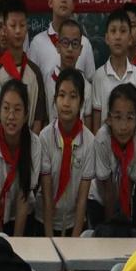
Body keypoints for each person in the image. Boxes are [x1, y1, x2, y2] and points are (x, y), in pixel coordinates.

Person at [91, 83, 136, 228]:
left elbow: (132, 188)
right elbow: (107, 190)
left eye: (129, 118)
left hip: (126, 200)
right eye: (117, 117)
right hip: (99, 200)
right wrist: (112, 230)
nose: (123, 126)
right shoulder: (102, 139)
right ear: (109, 119)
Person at [38, 69, 94, 237]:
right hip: (43, 221)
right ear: (55, 99)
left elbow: (82, 199)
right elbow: (47, 195)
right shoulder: (45, 137)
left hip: (74, 222)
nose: (66, 103)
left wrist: (74, 241)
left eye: (73, 96)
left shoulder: (90, 141)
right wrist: (49, 239)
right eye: (61, 95)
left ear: (82, 102)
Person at [0, 79, 42, 236]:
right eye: (6, 108)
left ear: (26, 115)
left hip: (22, 215)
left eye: (17, 110)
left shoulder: (35, 144)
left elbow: (24, 197)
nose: (11, 116)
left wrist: (16, 241)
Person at [0, 0, 46, 134]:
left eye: (22, 25)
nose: (18, 31)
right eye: (13, 25)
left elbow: (38, 119)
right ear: (4, 29)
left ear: (27, 28)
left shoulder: (35, 72)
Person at [28, 0, 96, 79]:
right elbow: (32, 83)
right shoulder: (37, 43)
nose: (63, 0)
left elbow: (90, 82)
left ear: (73, 4)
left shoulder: (84, 43)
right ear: (50, 2)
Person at [92, 8, 136, 129]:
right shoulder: (98, 76)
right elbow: (96, 124)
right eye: (113, 31)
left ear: (130, 39)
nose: (118, 36)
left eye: (123, 31)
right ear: (107, 38)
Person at [42, 19, 94, 131]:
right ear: (58, 46)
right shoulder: (48, 82)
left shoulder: (86, 86)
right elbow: (45, 120)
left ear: (80, 49)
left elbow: (88, 128)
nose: (70, 49)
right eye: (65, 43)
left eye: (75, 44)